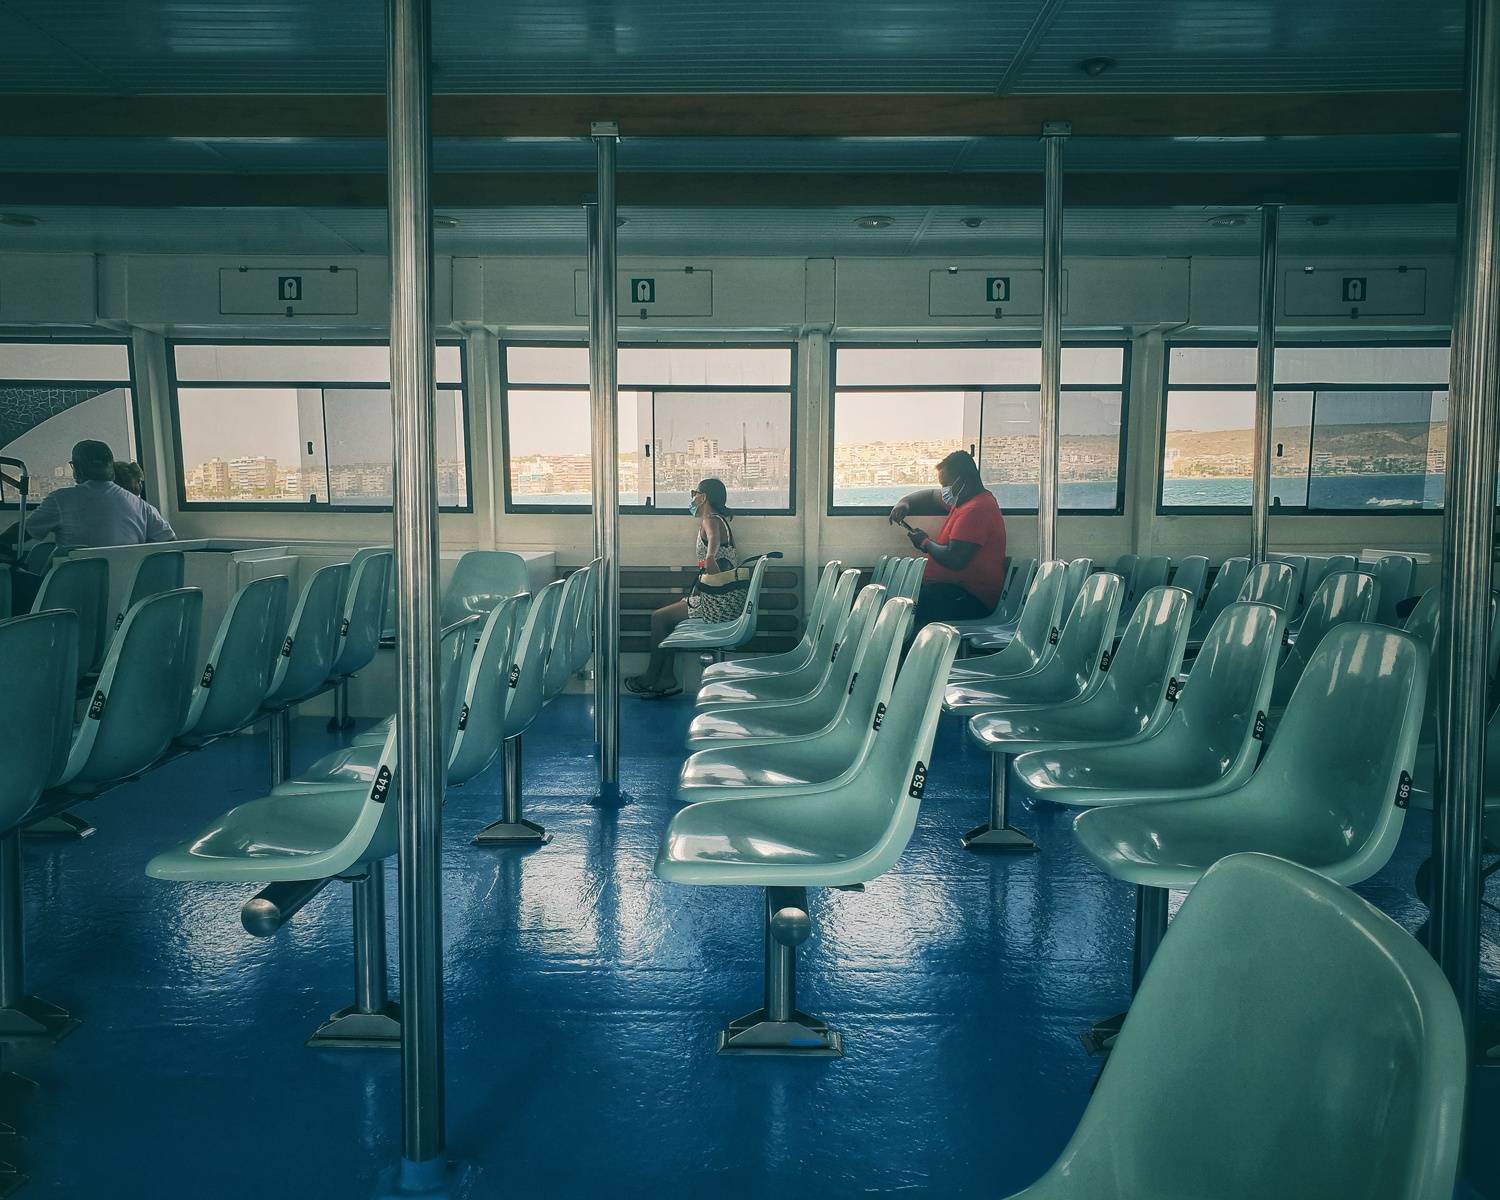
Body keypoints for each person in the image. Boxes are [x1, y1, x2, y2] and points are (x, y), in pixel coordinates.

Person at [1, 441, 175, 606]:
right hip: (124, 597)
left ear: (77, 468)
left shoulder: (61, 500)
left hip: (69, 595)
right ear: (111, 467)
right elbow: (170, 542)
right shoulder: (143, 506)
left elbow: (22, 532)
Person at [627, 477, 738, 700]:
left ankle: (652, 676)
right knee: (668, 617)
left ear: (703, 497)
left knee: (659, 618)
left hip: (716, 604)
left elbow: (713, 541)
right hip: (723, 599)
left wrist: (710, 557)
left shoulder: (710, 520)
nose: (692, 498)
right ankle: (666, 678)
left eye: (694, 494)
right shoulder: (720, 520)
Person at [888, 449, 1006, 626]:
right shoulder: (962, 500)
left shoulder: (977, 509)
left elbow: (955, 559)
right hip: (950, 590)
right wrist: (905, 503)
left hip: (970, 598)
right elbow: (930, 495)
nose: (944, 491)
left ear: (961, 481)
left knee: (906, 609)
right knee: (900, 598)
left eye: (946, 485)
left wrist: (924, 542)